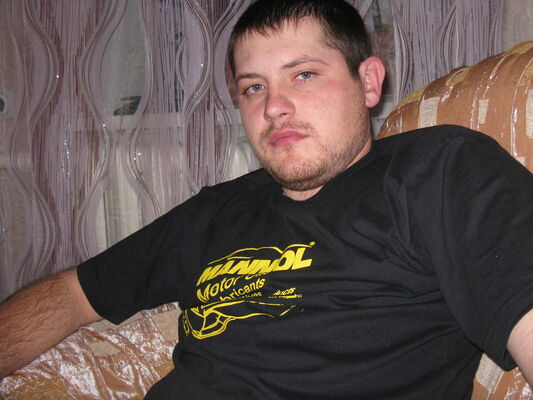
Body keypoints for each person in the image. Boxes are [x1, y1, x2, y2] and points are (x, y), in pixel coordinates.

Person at [0, 0, 532, 398]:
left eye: (304, 75)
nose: (273, 107)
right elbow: (72, 293)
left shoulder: (439, 170)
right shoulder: (216, 209)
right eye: (253, 87)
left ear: (369, 82)